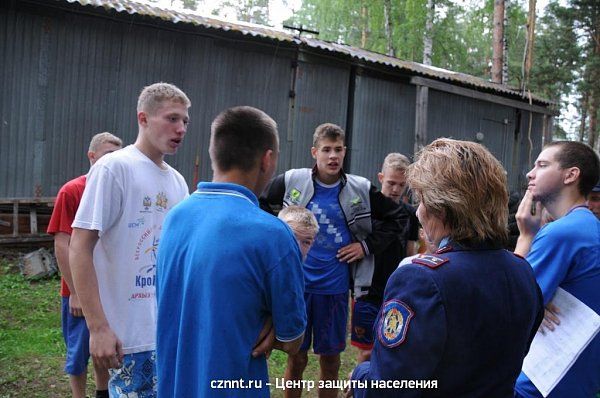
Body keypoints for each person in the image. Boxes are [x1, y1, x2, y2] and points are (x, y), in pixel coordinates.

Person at [350, 138, 543, 397]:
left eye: (421, 201)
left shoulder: (421, 279)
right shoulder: (522, 271)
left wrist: (360, 376)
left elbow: (387, 389)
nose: (418, 211)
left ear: (439, 208)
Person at [156, 106, 307, 397]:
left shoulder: (175, 217)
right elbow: (293, 340)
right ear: (267, 159)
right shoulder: (273, 234)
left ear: (214, 152)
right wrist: (276, 321)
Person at [262, 123, 407, 398]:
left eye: (338, 150)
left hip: (335, 290)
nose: (333, 156)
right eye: (326, 150)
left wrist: (365, 246)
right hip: (297, 287)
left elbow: (398, 217)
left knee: (331, 362)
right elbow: (259, 201)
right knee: (296, 357)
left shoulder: (359, 188)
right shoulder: (293, 180)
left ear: (344, 152)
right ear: (314, 152)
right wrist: (278, 237)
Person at [69, 82, 191, 397]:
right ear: (143, 118)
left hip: (165, 333)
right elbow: (79, 245)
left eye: (185, 121)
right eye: (172, 118)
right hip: (126, 337)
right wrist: (98, 327)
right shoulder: (114, 168)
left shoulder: (177, 182)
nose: (180, 129)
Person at [514, 141, 600, 398]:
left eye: (542, 165)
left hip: (538, 385)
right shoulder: (589, 227)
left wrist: (525, 239)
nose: (531, 173)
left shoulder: (563, 232)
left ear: (571, 175)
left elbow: (510, 306)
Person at [48, 132, 122, 398]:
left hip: (109, 290)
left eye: (117, 156)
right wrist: (76, 292)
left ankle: (102, 392)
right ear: (92, 156)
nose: (112, 161)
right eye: (106, 155)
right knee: (78, 351)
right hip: (79, 292)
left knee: (106, 347)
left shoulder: (118, 191)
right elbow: (62, 245)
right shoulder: (73, 191)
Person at [351, 153, 419, 363]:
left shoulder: (410, 214)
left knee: (393, 352)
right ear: (380, 178)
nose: (396, 189)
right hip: (367, 292)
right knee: (366, 352)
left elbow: (411, 253)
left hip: (395, 292)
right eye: (391, 183)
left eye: (401, 184)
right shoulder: (365, 210)